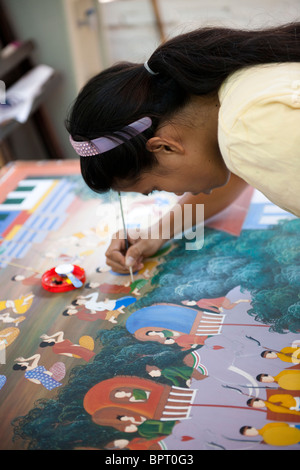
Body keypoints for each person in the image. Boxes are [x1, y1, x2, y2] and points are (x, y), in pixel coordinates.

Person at [66, 23, 300, 275]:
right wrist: (156, 233)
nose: (172, 192)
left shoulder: (247, 130)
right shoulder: (238, 97)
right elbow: (244, 170)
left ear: (164, 146)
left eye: (155, 188)